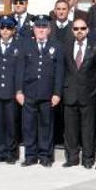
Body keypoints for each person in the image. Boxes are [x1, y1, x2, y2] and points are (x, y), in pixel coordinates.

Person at [16, 14, 65, 167]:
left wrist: (57, 93)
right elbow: (20, 70)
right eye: (38, 27)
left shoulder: (56, 46)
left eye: (44, 27)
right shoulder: (25, 45)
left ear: (49, 29)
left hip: (47, 93)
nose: (41, 30)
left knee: (46, 125)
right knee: (28, 126)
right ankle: (30, 155)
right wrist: (19, 91)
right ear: (34, 29)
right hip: (29, 93)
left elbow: (59, 72)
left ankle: (45, 155)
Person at [62, 17, 96, 169]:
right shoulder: (66, 47)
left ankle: (88, 158)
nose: (79, 31)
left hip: (88, 95)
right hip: (70, 94)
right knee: (70, 130)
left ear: (87, 30)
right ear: (72, 31)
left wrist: (95, 93)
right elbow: (63, 70)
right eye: (76, 29)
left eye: (82, 28)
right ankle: (72, 158)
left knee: (88, 129)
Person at [0, 15, 21, 164]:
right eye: (3, 28)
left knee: (11, 123)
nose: (5, 31)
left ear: (14, 30)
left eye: (9, 28)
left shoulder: (19, 46)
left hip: (11, 91)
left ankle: (11, 153)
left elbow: (21, 71)